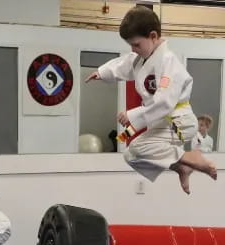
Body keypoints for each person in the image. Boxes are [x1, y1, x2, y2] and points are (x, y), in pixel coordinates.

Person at [85, 6, 217, 194]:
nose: (133, 49)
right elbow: (124, 64)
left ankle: (191, 157)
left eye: (137, 44)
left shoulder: (168, 62)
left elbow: (164, 103)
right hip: (162, 121)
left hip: (179, 121)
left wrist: (132, 115)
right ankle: (181, 166)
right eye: (130, 45)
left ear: (153, 36)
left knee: (139, 148)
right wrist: (101, 72)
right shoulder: (142, 59)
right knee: (131, 154)